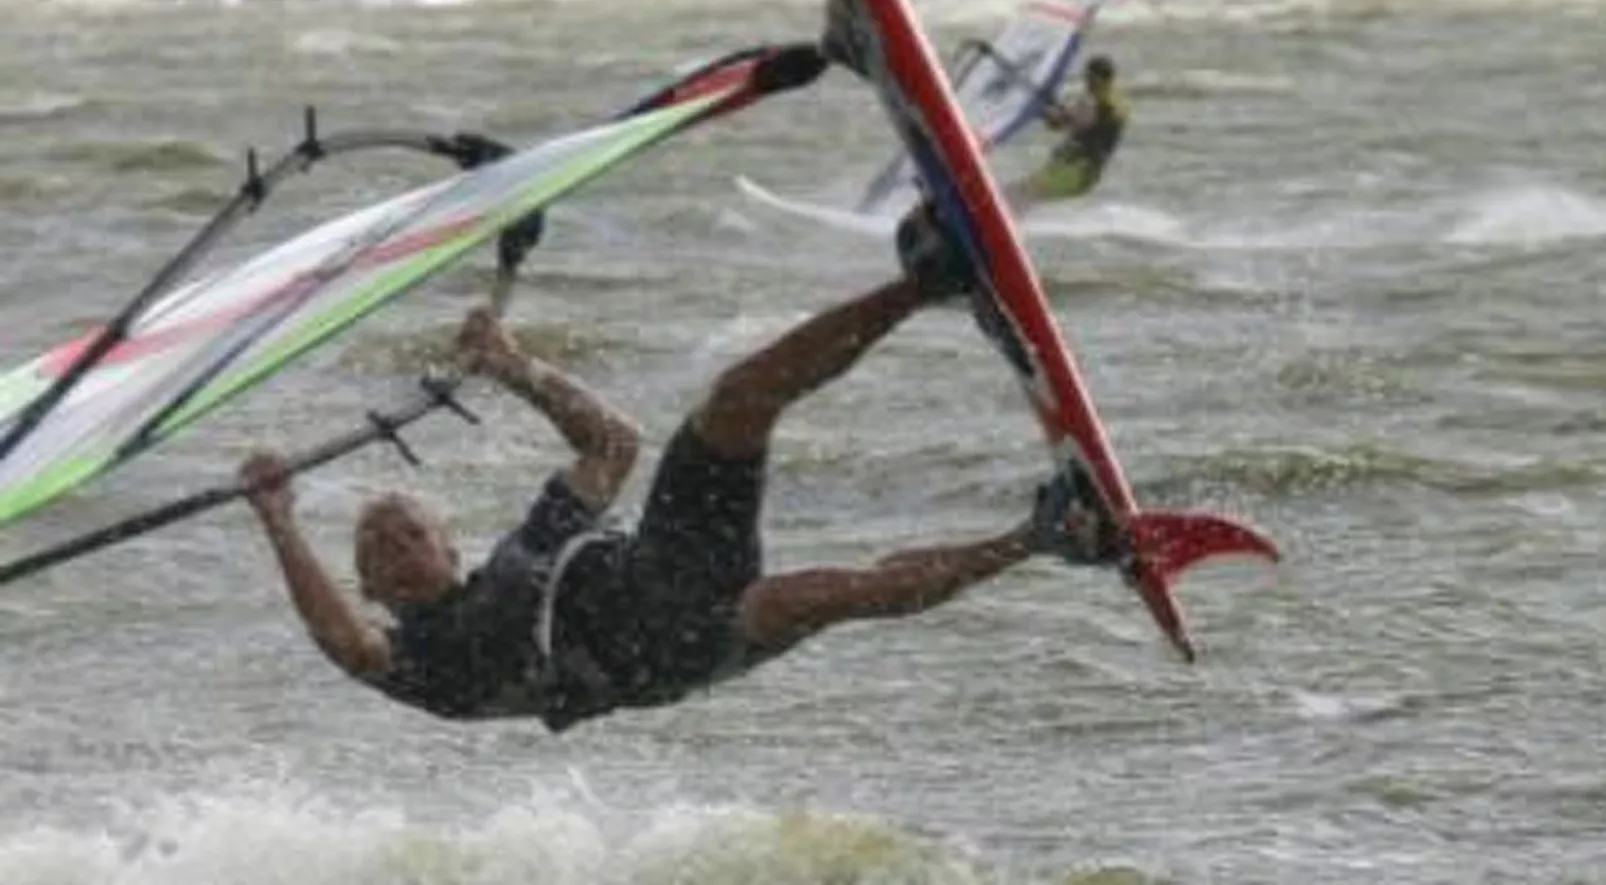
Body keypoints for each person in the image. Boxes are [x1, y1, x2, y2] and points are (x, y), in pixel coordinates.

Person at [240, 205, 1115, 732]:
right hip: (661, 656)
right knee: (814, 594)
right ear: (372, 587)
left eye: (409, 530)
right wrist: (280, 520)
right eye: (379, 548)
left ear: (448, 543)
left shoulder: (525, 550)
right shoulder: (419, 660)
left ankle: (932, 285)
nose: (397, 543)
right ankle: (1042, 535)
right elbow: (342, 644)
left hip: (665, 557)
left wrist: (516, 368)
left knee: (735, 398)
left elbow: (611, 445)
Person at [1004, 55, 1130, 209]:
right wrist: (1058, 115)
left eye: (1091, 79)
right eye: (1087, 78)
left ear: (1103, 79)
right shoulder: (1102, 100)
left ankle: (997, 225)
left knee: (1020, 193)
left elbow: (1074, 121)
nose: (1087, 83)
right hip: (1069, 167)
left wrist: (1053, 115)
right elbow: (1066, 122)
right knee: (1018, 193)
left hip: (1078, 172)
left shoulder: (1104, 104)